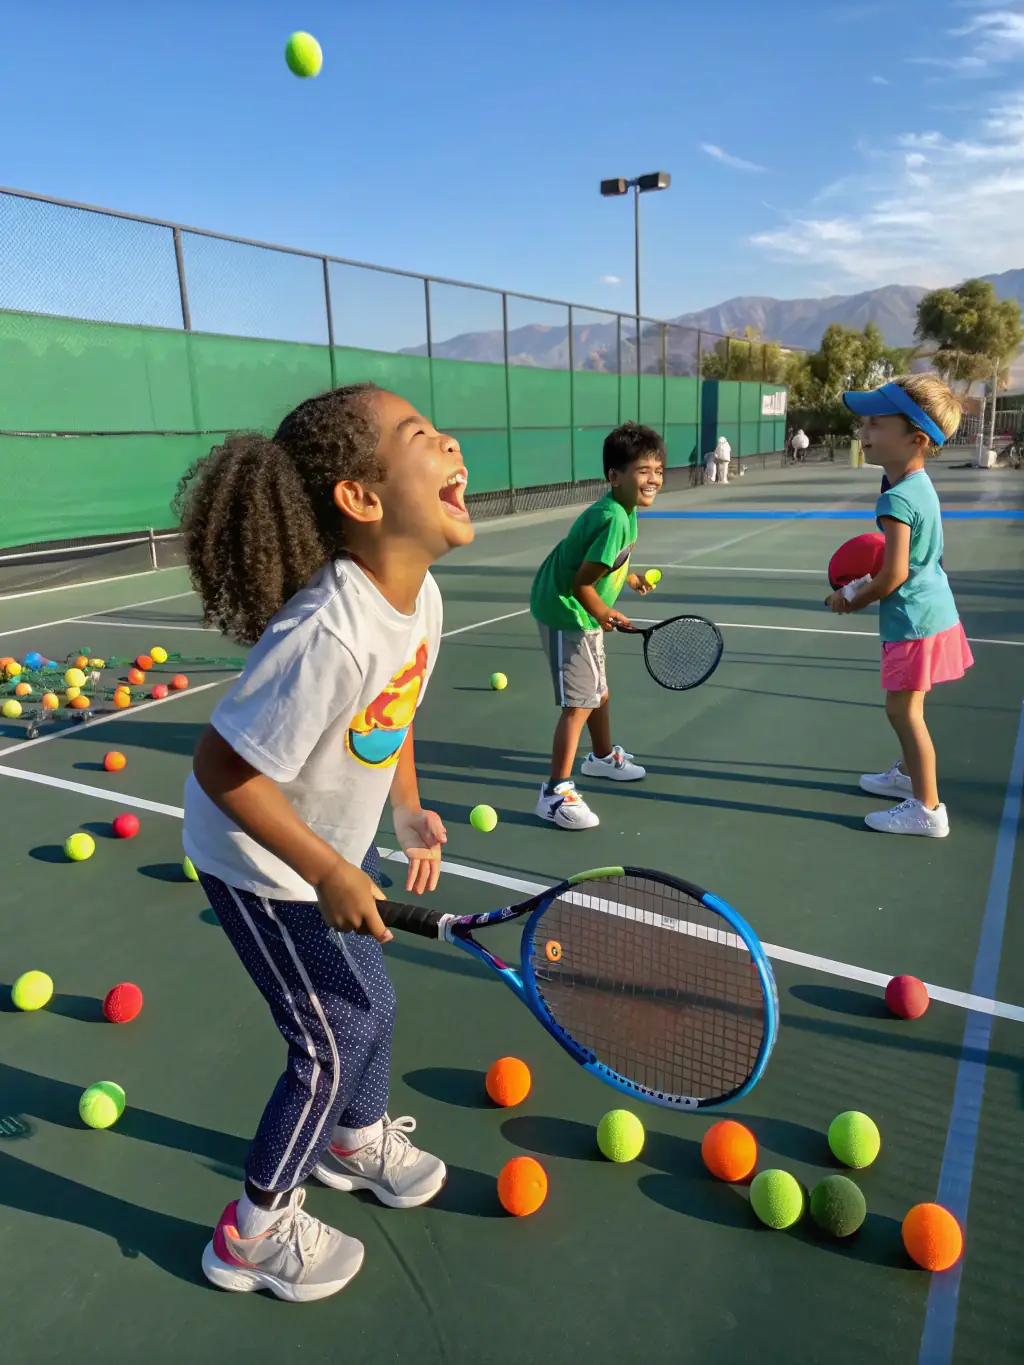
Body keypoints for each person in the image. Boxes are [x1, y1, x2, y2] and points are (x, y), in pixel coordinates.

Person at [175, 383, 473, 1302]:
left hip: (331, 849)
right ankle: (254, 1233)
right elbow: (225, 770)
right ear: (362, 498)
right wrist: (330, 868)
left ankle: (354, 1138)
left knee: (371, 1001)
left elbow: (399, 707)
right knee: (332, 1036)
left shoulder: (417, 599)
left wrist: (406, 811)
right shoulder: (327, 630)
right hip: (258, 860)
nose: (451, 440)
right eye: (422, 436)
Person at [827, 374, 971, 837]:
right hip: (933, 612)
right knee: (912, 708)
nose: (864, 433)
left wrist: (848, 597)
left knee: (902, 713)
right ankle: (910, 775)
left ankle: (927, 809)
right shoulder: (916, 484)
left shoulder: (895, 497)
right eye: (864, 423)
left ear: (917, 436)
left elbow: (894, 575)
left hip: (913, 621)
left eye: (876, 424)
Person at [529, 421, 664, 829]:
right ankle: (555, 792)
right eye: (643, 471)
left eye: (658, 470)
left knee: (598, 691)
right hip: (566, 610)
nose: (654, 479)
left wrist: (632, 579)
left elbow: (607, 563)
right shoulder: (613, 519)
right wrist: (605, 613)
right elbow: (581, 582)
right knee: (580, 702)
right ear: (615, 476)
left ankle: (602, 758)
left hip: (582, 608)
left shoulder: (624, 510)